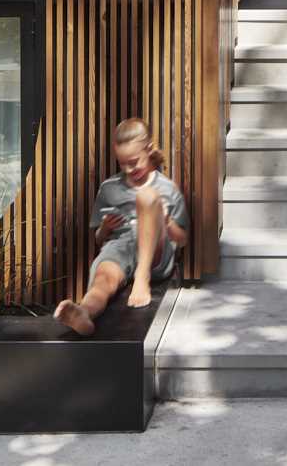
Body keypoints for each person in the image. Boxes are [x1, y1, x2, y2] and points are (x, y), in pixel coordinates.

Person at [54, 117, 188, 336]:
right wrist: (105, 228)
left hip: (155, 252)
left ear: (149, 150)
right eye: (123, 163)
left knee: (147, 197)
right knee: (103, 278)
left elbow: (182, 240)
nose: (129, 169)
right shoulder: (109, 189)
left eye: (134, 161)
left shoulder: (167, 188)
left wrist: (166, 221)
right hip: (121, 246)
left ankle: (141, 277)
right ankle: (85, 312)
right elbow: (99, 239)